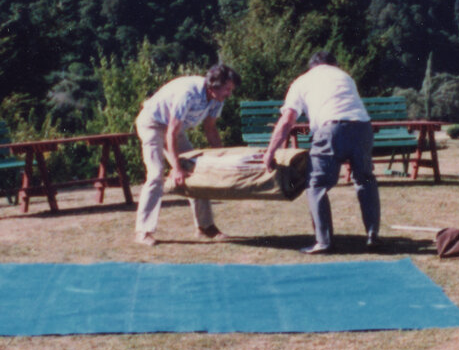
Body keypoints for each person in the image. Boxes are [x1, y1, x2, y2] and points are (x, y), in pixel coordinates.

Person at [263, 51, 379, 254]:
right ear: (333, 64)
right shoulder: (344, 76)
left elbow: (287, 120)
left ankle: (323, 242)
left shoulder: (302, 81)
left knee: (316, 184)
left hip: (331, 128)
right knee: (365, 180)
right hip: (362, 127)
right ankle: (372, 235)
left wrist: (270, 151)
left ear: (311, 67)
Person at [134, 63, 239, 246]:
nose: (229, 94)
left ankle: (205, 227)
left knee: (198, 170)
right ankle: (143, 232)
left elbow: (210, 129)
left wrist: (221, 159)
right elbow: (170, 134)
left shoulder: (216, 100)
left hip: (174, 129)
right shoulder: (188, 93)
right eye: (227, 89)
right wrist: (176, 168)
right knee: (156, 173)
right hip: (152, 124)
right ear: (214, 85)